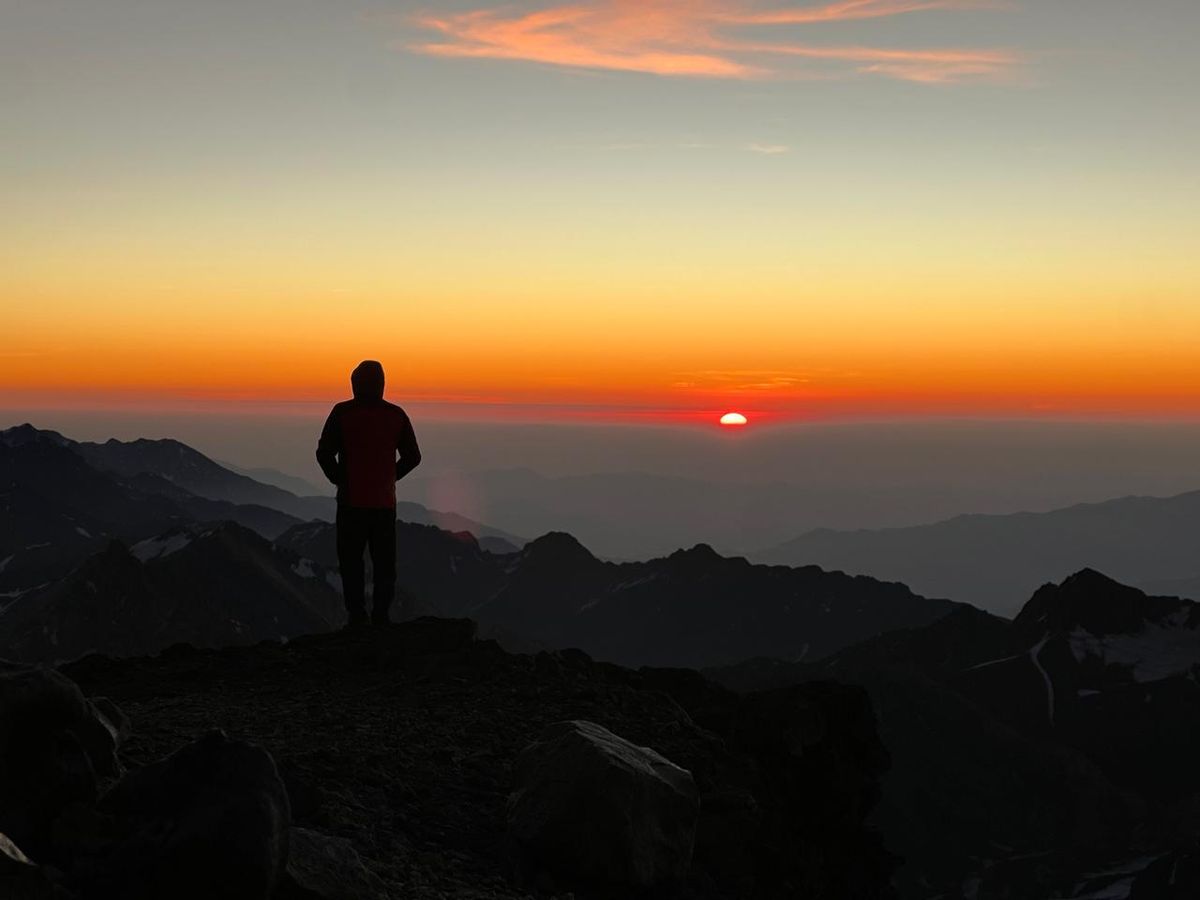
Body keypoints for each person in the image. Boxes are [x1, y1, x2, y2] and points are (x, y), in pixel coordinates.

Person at [316, 360, 421, 628]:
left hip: (351, 503)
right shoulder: (396, 416)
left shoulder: (342, 413)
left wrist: (340, 479)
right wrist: (390, 477)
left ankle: (356, 617)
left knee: (351, 562)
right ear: (382, 384)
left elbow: (324, 453)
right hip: (384, 505)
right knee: (384, 564)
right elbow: (413, 457)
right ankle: (381, 618)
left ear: (354, 384)